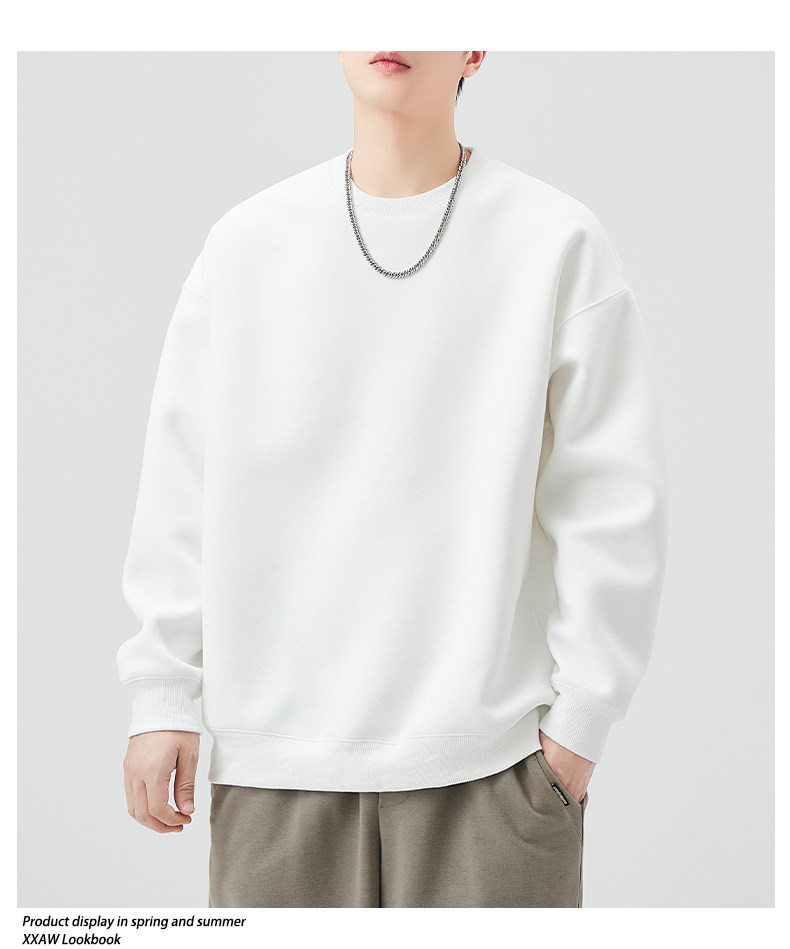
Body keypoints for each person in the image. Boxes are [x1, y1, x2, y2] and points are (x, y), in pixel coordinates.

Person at [117, 51, 669, 908]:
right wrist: (161, 692)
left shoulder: (554, 240)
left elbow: (612, 500)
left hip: (492, 771)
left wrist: (579, 731)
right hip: (276, 767)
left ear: (475, 46)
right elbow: (182, 478)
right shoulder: (247, 245)